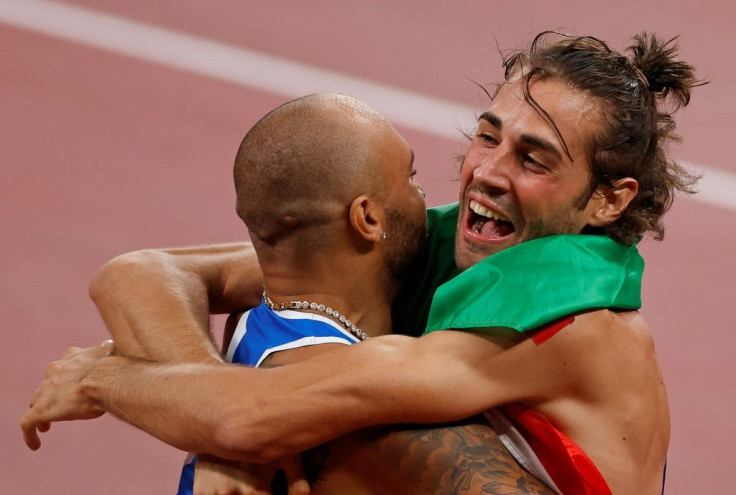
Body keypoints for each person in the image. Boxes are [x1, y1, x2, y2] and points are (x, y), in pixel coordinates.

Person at [22, 31, 703, 494]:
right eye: (488, 136)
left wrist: (107, 379)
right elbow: (143, 273)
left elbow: (249, 415)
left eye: (533, 158)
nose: (485, 173)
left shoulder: (570, 324)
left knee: (343, 415)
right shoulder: (466, 242)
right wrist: (235, 441)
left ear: (609, 201)